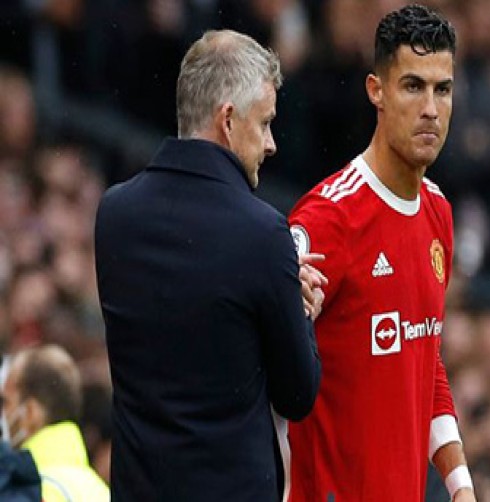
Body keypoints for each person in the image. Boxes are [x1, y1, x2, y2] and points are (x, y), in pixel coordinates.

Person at [94, 30, 324, 501]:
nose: (272, 143)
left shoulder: (115, 214)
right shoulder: (262, 234)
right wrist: (298, 306)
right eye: (265, 123)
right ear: (228, 120)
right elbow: (297, 395)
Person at [287, 5, 476, 501]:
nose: (431, 108)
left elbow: (425, 359)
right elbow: (268, 358)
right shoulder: (328, 218)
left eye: (443, 89)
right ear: (377, 91)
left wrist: (459, 485)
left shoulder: (438, 213)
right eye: (413, 86)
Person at [1, 345, 109, 502]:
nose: (2, 413)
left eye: (5, 402)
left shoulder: (32, 492)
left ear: (30, 412)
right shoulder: (99, 489)